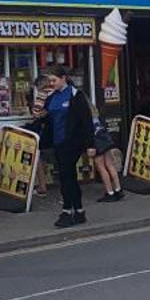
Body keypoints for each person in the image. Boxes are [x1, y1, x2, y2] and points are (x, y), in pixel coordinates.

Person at [44, 64, 94, 227]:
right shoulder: (51, 96)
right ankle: (79, 211)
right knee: (68, 176)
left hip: (72, 142)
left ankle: (67, 210)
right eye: (49, 81)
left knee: (66, 176)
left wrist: (90, 144)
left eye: (54, 80)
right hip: (57, 142)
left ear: (63, 78)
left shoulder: (75, 95)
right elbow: (47, 117)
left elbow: (86, 120)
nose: (51, 83)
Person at [92, 105, 124, 203]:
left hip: (96, 141)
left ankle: (110, 192)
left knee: (101, 167)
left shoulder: (84, 115)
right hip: (105, 138)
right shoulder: (94, 113)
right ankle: (118, 189)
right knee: (110, 165)